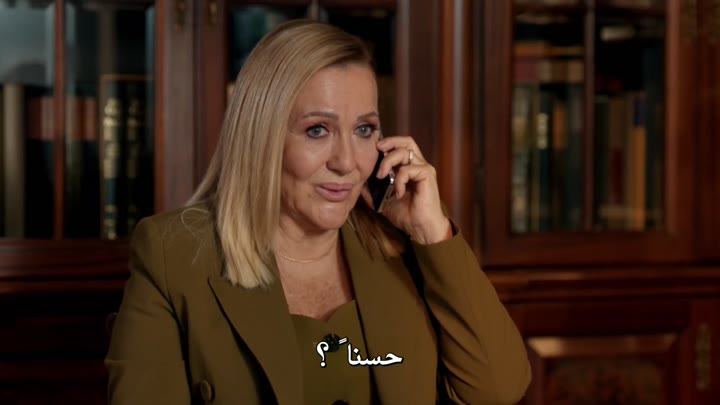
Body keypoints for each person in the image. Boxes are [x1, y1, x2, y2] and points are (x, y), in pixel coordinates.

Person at [106, 20, 530, 404]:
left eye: (364, 129)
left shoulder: (405, 244)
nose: (347, 162)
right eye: (317, 130)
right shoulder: (173, 255)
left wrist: (433, 234)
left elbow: (498, 389)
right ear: (262, 138)